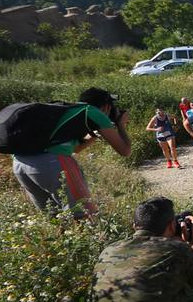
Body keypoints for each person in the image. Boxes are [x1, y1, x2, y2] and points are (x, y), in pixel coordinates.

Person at [10, 86, 131, 220]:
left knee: (53, 216)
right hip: (51, 163)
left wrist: (95, 134)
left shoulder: (68, 111)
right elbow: (125, 151)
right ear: (106, 107)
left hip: (20, 164)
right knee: (83, 214)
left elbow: (75, 149)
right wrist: (120, 125)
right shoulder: (94, 112)